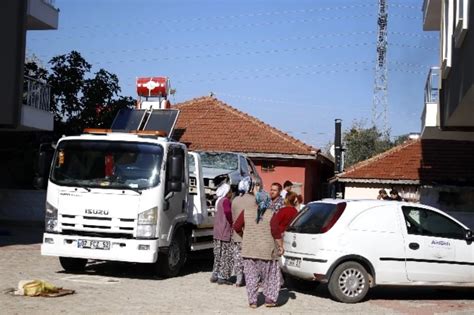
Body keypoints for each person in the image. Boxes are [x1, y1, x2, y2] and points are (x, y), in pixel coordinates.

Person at [233, 190, 283, 308]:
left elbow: (236, 226)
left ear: (256, 200)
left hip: (249, 250)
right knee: (270, 276)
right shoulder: (271, 214)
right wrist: (281, 246)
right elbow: (276, 232)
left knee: (251, 277)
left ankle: (253, 301)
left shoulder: (246, 212)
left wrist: (243, 236)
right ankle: (270, 300)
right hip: (267, 251)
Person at [230, 177, 253, 287]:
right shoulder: (254, 200)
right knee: (249, 258)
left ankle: (239, 279)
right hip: (250, 234)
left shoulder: (235, 200)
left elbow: (233, 217)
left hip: (237, 234)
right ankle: (250, 278)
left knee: (238, 257)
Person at [210, 183, 234, 285]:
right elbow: (228, 212)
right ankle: (223, 276)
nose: (232, 194)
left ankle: (215, 274)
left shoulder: (218, 201)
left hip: (217, 231)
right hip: (224, 231)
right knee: (226, 255)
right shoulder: (226, 201)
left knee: (217, 254)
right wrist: (232, 221)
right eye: (230, 192)